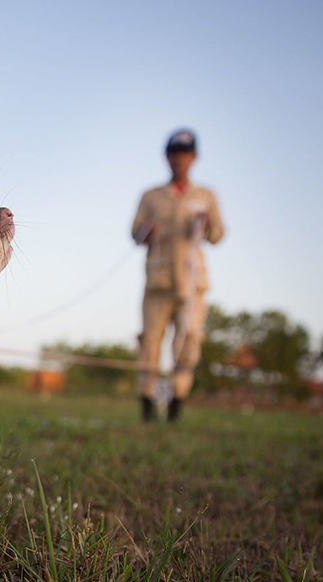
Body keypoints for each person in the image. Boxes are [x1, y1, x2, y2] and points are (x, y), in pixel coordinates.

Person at [131, 129, 224, 422]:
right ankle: (147, 404)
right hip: (158, 282)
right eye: (174, 153)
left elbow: (218, 234)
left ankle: (176, 403)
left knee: (189, 339)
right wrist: (148, 230)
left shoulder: (206, 196)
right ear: (167, 157)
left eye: (184, 153)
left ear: (193, 157)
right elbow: (135, 233)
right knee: (150, 342)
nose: (179, 159)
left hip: (192, 282)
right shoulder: (151, 196)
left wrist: (207, 223)